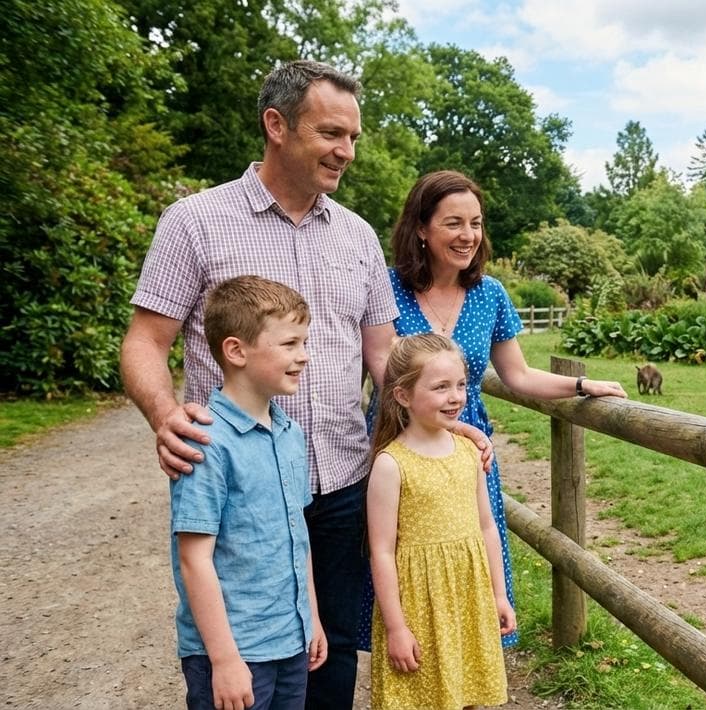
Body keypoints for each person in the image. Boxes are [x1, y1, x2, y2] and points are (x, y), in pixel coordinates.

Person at [121, 60, 486, 709]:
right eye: (331, 133)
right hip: (246, 491)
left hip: (345, 478)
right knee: (239, 659)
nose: (346, 151)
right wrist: (163, 413)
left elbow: (385, 357)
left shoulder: (358, 236)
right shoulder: (195, 222)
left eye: (353, 136)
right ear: (276, 126)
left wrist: (438, 418)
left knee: (333, 651)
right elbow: (145, 342)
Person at [367, 170, 627, 648]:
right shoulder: (385, 287)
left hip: (469, 451)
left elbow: (519, 375)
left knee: (473, 553)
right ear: (421, 229)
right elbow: (385, 371)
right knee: (406, 557)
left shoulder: (490, 294)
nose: (468, 236)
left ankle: (471, 674)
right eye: (453, 223)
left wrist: (582, 383)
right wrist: (454, 430)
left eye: (476, 223)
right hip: (405, 450)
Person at [171, 276, 327, 710]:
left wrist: (311, 617)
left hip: (291, 641)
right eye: (290, 344)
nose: (304, 356)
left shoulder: (291, 433)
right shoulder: (205, 441)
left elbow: (299, 536)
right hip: (234, 653)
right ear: (236, 351)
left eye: (304, 342)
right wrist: (224, 660)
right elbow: (194, 558)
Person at [366, 334, 514, 709]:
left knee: (466, 691)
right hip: (420, 606)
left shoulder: (469, 451)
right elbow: (381, 551)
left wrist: (499, 594)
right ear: (403, 395)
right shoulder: (391, 464)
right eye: (441, 387)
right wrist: (396, 628)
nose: (456, 396)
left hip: (468, 597)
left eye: (461, 385)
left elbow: (486, 526)